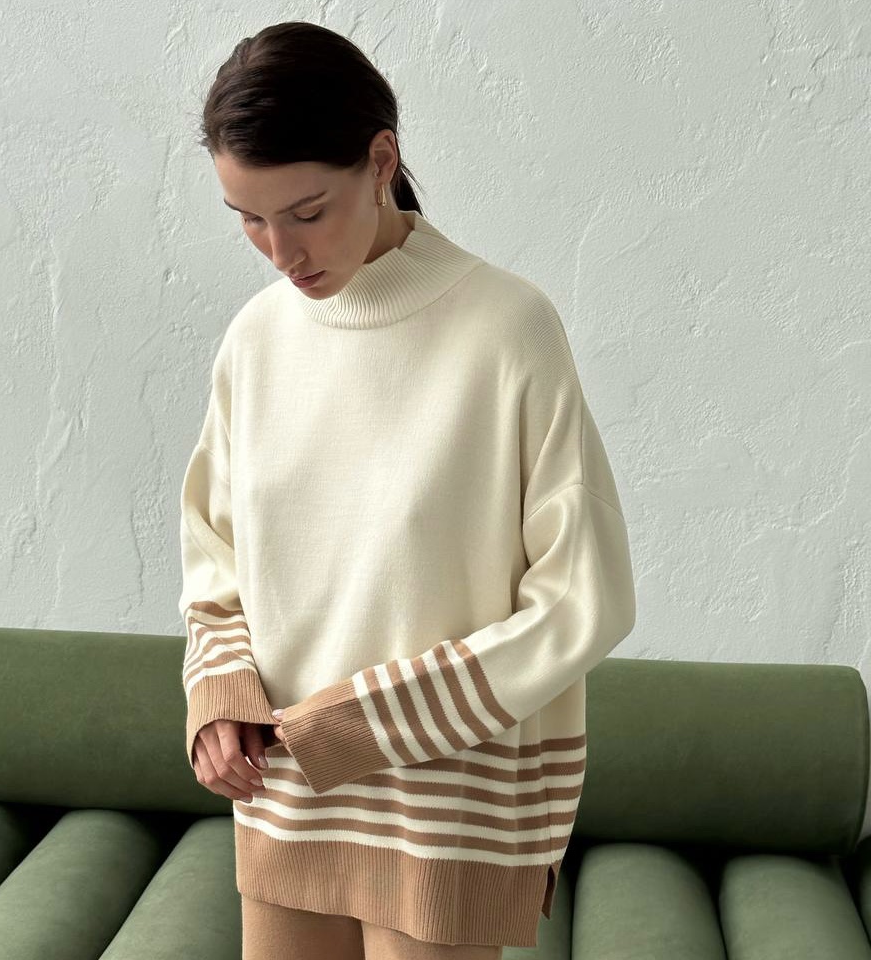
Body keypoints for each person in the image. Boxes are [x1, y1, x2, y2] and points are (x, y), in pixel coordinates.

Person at [177, 20, 636, 960]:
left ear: (382, 159)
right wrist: (219, 694)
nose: (280, 251)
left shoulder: (506, 328)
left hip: (446, 799)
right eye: (249, 219)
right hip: (284, 789)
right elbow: (213, 554)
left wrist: (361, 725)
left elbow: (584, 597)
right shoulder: (256, 340)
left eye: (307, 212)